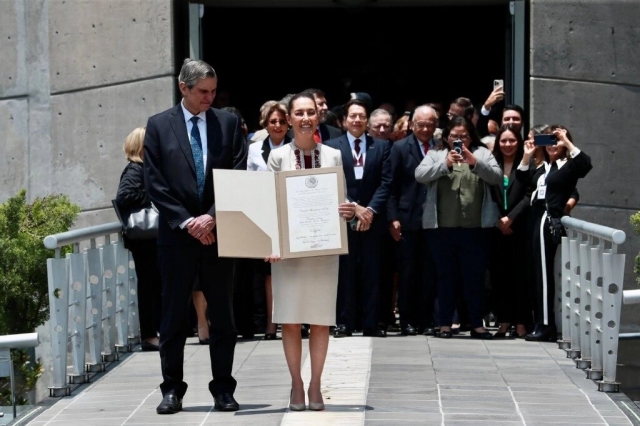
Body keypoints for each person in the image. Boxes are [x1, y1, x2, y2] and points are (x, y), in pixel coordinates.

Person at [143, 58, 247, 414]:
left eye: (214, 91)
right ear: (183, 88)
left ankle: (223, 389)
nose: (209, 98)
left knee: (222, 316)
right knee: (173, 317)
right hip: (177, 237)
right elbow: (154, 182)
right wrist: (188, 222)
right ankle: (172, 389)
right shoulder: (158, 126)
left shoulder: (229, 124)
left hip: (218, 234)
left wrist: (211, 218)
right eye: (203, 92)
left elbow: (238, 173)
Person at [265, 92, 355, 411]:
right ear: (289, 119)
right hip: (287, 254)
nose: (305, 118)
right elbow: (270, 205)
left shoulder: (333, 155)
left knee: (320, 320)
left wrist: (349, 210)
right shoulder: (277, 157)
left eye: (311, 112)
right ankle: (296, 383)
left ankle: (316, 384)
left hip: (323, 249)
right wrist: (272, 243)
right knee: (289, 320)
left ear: (318, 117)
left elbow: (341, 199)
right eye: (299, 113)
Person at [415, 116, 502, 339]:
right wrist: (445, 164)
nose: (459, 140)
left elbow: (497, 177)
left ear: (471, 136)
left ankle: (476, 324)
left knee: (474, 278)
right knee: (446, 277)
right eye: (454, 136)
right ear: (447, 137)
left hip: (476, 228)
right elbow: (420, 175)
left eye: (463, 136)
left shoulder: (482, 153)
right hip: (442, 228)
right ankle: (444, 324)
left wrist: (475, 163)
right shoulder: (436, 153)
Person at [325, 99, 392, 338]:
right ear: (344, 120)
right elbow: (329, 181)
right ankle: (344, 322)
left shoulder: (381, 146)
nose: (357, 120)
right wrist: (355, 208)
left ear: (367, 121)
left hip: (372, 221)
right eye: (352, 116)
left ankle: (371, 323)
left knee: (372, 273)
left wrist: (370, 210)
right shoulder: (331, 147)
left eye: (361, 116)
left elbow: (386, 183)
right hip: (342, 218)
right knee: (345, 273)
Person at [518, 125, 592, 341]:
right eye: (548, 140)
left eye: (556, 140)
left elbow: (586, 165)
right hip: (534, 218)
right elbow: (523, 179)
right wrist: (527, 155)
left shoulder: (567, 166)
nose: (552, 144)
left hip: (547, 218)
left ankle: (546, 325)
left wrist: (566, 142)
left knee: (543, 274)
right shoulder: (543, 167)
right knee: (536, 274)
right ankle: (540, 322)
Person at [387, 105, 442, 337]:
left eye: (430, 124)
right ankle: (407, 320)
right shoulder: (400, 148)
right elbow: (390, 187)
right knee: (408, 273)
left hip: (434, 220)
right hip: (407, 219)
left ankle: (427, 319)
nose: (426, 128)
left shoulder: (442, 148)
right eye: (421, 124)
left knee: (430, 273)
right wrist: (393, 218)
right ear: (412, 125)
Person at [115, 126, 162, 352]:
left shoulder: (143, 168)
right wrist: (152, 194)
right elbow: (124, 196)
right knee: (148, 287)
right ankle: (150, 335)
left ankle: (154, 333)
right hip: (144, 240)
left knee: (153, 285)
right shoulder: (134, 170)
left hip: (149, 239)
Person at [247, 101, 290, 339]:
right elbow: (249, 180)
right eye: (273, 121)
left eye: (282, 121)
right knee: (268, 273)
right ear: (266, 123)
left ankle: (295, 320)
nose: (277, 125)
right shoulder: (254, 149)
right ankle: (272, 324)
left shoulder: (296, 146)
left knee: (292, 269)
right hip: (265, 216)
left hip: (291, 215)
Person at [488, 124, 531, 338]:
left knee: (519, 277)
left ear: (520, 142)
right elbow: (487, 194)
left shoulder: (527, 164)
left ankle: (521, 321)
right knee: (499, 277)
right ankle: (504, 321)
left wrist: (511, 217)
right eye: (503, 141)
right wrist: (499, 219)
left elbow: (528, 195)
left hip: (519, 228)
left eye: (512, 141)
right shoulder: (492, 164)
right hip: (497, 229)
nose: (507, 145)